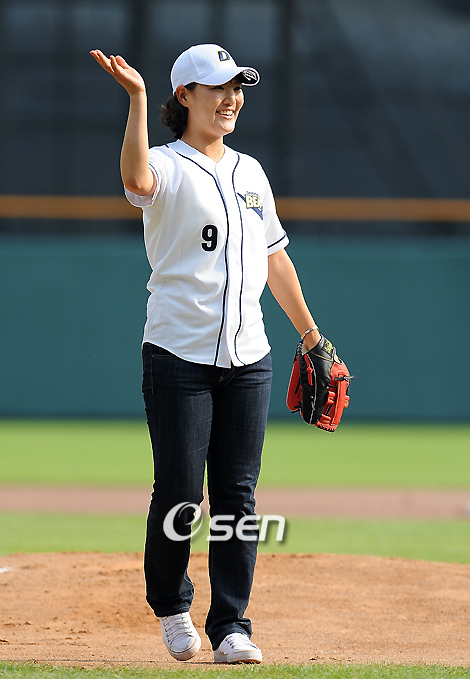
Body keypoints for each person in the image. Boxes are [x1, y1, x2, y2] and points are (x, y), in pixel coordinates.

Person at [90, 43, 322, 665]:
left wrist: (311, 336)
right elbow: (135, 181)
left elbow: (275, 258)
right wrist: (138, 99)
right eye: (218, 88)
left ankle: (231, 626)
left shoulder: (251, 172)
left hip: (249, 358)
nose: (231, 99)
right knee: (180, 492)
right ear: (185, 96)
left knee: (238, 496)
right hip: (178, 355)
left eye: (237, 88)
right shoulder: (165, 166)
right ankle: (172, 605)